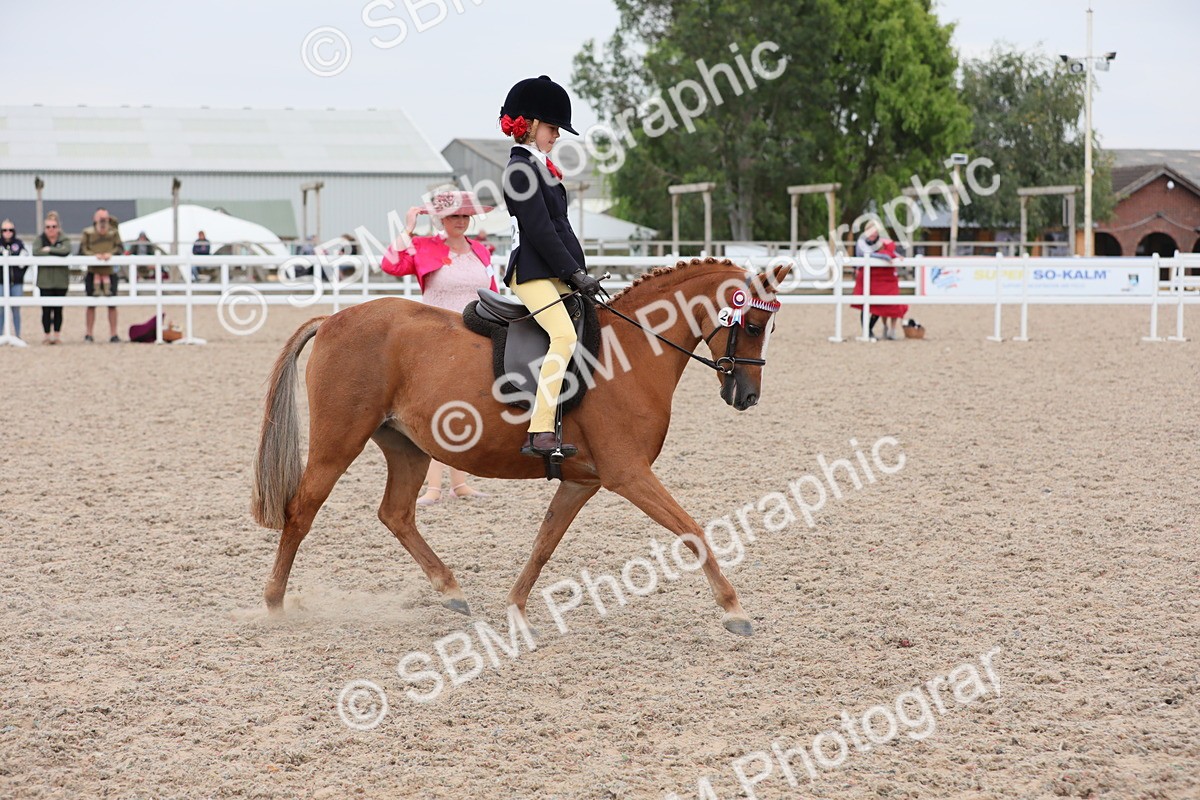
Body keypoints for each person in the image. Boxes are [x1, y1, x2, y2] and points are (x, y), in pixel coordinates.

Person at [499, 75, 601, 458]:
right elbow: (540, 230)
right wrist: (573, 273)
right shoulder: (521, 170)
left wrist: (581, 272)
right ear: (529, 126)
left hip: (552, 270)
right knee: (564, 335)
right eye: (553, 128)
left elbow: (563, 229)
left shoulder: (542, 168)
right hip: (530, 272)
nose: (557, 136)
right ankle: (539, 428)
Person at [382, 190, 497, 504]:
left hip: (476, 334)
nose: (460, 222)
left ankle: (459, 483)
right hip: (436, 337)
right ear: (441, 219)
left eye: (464, 216)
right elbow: (390, 265)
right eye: (453, 216)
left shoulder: (481, 251)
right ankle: (433, 486)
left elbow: (492, 291)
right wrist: (408, 229)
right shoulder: (424, 247)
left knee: (466, 407)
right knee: (437, 410)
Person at [852, 223, 909, 340]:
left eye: (875, 231)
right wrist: (885, 257)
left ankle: (869, 329)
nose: (873, 233)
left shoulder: (880, 241)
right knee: (865, 304)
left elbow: (888, 250)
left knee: (878, 304)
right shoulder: (861, 242)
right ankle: (867, 331)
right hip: (865, 275)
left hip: (877, 277)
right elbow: (867, 254)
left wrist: (896, 256)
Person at [79, 208, 123, 342]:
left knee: (112, 303)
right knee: (91, 303)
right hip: (93, 271)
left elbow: (120, 248)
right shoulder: (87, 233)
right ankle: (89, 333)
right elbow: (82, 250)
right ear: (95, 219)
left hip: (110, 272)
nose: (103, 221)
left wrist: (111, 254)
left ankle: (113, 334)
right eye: (101, 218)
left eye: (105, 218)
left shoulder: (114, 233)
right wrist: (94, 256)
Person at [34, 212, 71, 345]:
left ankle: (57, 335)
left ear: (58, 227)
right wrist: (57, 251)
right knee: (46, 310)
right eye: (48, 227)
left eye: (54, 226)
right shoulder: (39, 239)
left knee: (58, 310)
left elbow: (66, 250)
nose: (51, 229)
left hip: (61, 282)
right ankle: (46, 335)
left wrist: (49, 249)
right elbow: (35, 252)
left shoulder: (64, 239)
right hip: (45, 282)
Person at [1, 220, 28, 339]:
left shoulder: (19, 244)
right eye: (5, 230)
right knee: (1, 309)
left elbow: (25, 261)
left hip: (16, 283)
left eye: (10, 230)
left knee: (16, 309)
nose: (7, 232)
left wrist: (20, 275)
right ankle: (1, 335)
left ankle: (17, 335)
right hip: (1, 283)